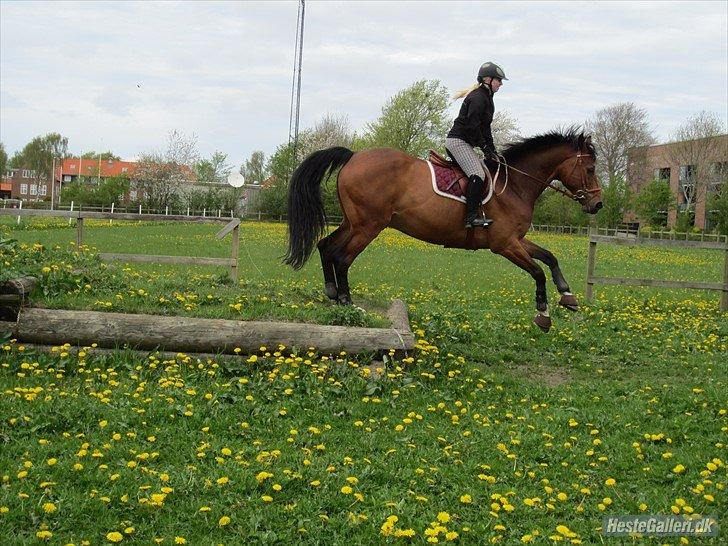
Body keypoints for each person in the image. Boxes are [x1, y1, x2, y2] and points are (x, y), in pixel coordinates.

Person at [446, 62, 507, 228]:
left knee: (484, 171)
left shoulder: (487, 99)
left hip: (466, 143)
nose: (501, 84)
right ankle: (470, 217)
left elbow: (485, 129)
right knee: (478, 174)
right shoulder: (478, 97)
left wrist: (492, 150)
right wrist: (484, 147)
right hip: (457, 142)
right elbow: (472, 126)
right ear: (488, 79)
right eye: (499, 80)